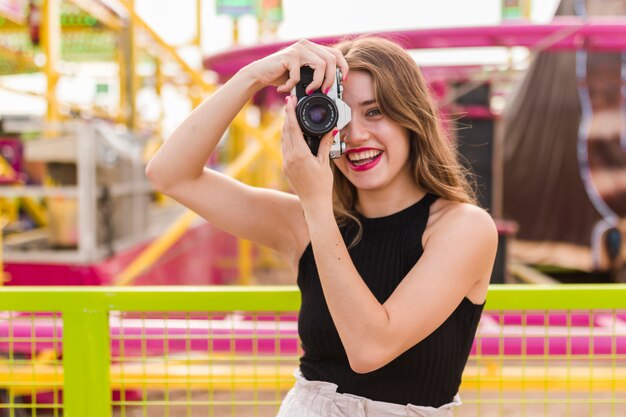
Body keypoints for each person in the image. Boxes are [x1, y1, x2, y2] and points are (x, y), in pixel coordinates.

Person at [146, 36, 498, 417]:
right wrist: (252, 77)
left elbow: (369, 349)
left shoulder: (463, 227)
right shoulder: (304, 220)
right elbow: (170, 175)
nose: (355, 135)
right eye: (338, 116)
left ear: (412, 116)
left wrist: (316, 204)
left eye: (375, 111)